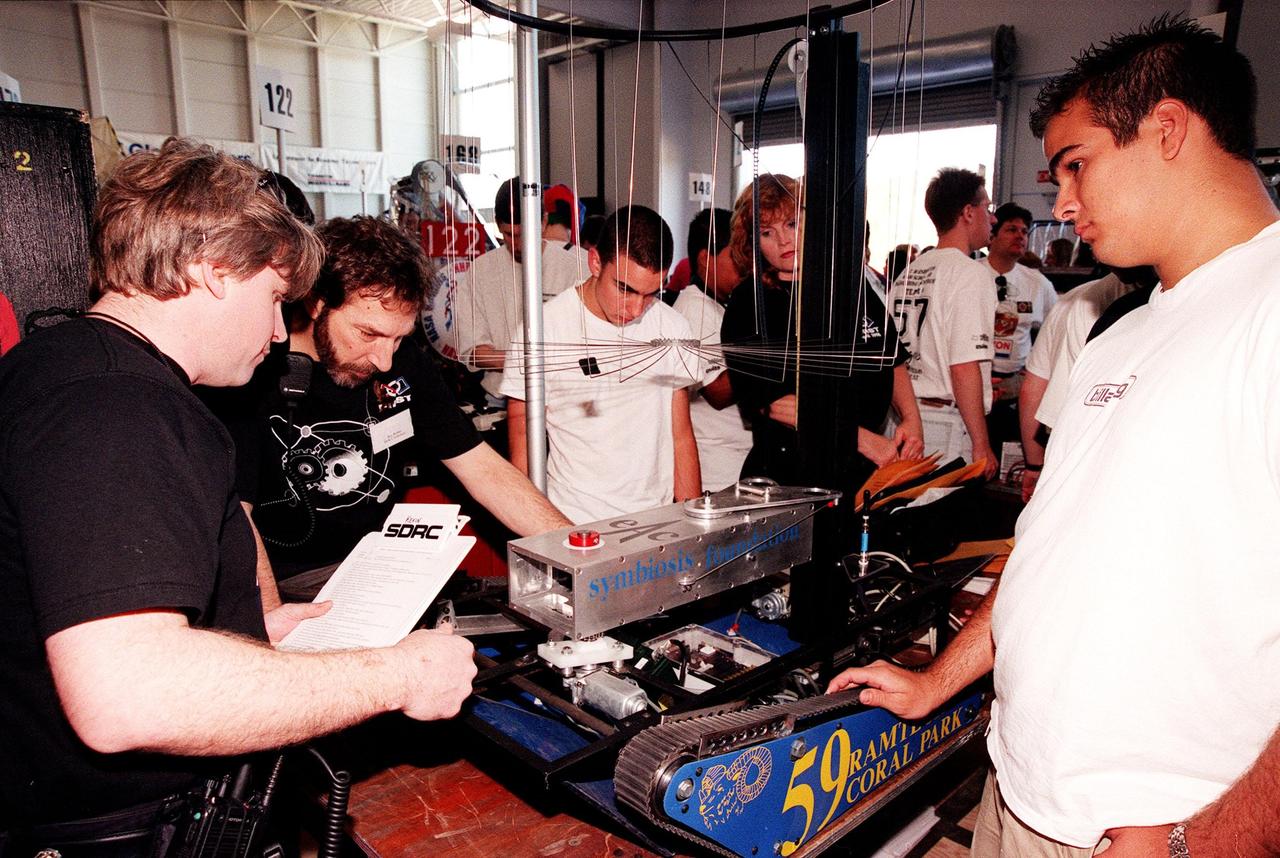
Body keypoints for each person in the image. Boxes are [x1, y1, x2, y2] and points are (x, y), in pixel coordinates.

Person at [831, 17, 1280, 857]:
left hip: (1151, 832)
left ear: (1169, 130)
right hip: (1019, 793)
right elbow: (1045, 549)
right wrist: (936, 683)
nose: (1061, 203)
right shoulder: (1124, 334)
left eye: (1076, 166)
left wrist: (1202, 842)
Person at [0, 139, 475, 852]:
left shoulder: (61, 366)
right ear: (214, 270)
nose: (280, 330)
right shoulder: (117, 408)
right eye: (276, 299)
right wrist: (396, 674)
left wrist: (248, 628)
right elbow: (129, 693)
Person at [218, 215, 570, 587]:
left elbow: (483, 470)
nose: (384, 360)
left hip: (374, 566)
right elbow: (236, 517)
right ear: (316, 302)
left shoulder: (403, 362)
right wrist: (271, 621)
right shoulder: (255, 367)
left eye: (398, 338)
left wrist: (577, 550)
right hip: (286, 578)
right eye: (368, 333)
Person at [501, 205, 704, 524]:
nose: (636, 308)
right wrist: (534, 534)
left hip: (655, 521)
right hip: (572, 522)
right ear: (595, 262)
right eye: (625, 288)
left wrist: (694, 527)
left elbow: (681, 435)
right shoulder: (543, 330)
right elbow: (523, 445)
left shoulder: (673, 328)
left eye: (651, 294)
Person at [721, 174, 923, 490]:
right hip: (789, 471)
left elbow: (890, 356)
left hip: (862, 467)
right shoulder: (750, 302)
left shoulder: (848, 285)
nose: (784, 241)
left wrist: (912, 419)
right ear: (752, 243)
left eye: (791, 224)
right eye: (767, 232)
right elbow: (777, 403)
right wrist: (863, 440)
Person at [887, 168, 999, 476]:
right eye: (986, 208)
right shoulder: (970, 273)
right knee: (942, 519)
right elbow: (963, 365)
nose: (992, 218)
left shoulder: (909, 272)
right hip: (945, 424)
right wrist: (981, 443)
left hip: (902, 418)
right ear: (968, 212)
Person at [1018, 266, 1154, 501]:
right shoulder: (1094, 304)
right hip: (1096, 467)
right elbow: (1064, 415)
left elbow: (1034, 386)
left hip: (1076, 454)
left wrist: (1034, 464)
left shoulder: (1074, 299)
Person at [451, 176, 588, 399]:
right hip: (499, 398)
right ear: (497, 223)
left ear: (543, 221)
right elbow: (474, 352)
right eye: (509, 235)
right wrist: (532, 360)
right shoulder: (480, 272)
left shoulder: (574, 269)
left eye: (524, 234)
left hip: (561, 397)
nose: (517, 244)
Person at [671, 208, 752, 490]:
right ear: (706, 259)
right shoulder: (694, 309)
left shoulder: (724, 304)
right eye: (737, 255)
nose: (746, 264)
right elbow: (717, 391)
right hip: (718, 472)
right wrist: (764, 350)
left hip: (737, 465)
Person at [984, 202, 1058, 447]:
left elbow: (1055, 335)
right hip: (976, 381)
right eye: (1011, 229)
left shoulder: (1038, 283)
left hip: (1017, 386)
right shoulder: (970, 274)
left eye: (1025, 232)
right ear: (992, 236)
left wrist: (1031, 375)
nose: (1020, 236)